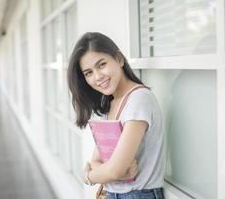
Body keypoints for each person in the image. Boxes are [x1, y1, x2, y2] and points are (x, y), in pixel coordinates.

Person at [67, 32, 165, 199]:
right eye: (88, 73)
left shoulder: (139, 100)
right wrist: (109, 172)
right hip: (114, 194)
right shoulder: (111, 103)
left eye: (102, 64)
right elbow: (97, 161)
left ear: (119, 59)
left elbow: (114, 170)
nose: (98, 76)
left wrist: (88, 176)